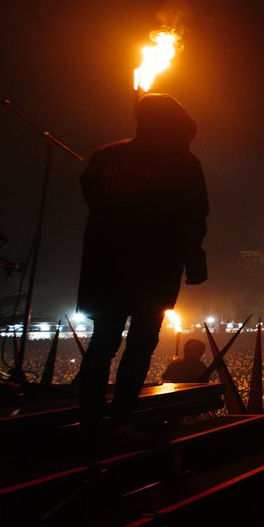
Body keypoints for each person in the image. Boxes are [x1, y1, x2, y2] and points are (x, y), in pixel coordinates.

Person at [75, 93, 209, 433]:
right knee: (141, 342)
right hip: (154, 266)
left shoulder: (105, 157)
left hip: (104, 264)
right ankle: (120, 416)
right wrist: (194, 261)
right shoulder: (182, 162)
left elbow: (91, 195)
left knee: (103, 339)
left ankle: (89, 413)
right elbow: (193, 216)